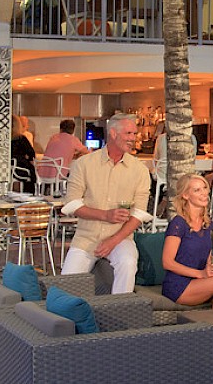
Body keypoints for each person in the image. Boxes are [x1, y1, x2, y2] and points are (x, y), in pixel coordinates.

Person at [59, 113, 151, 294]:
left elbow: (139, 214)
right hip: (86, 238)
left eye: (134, 134)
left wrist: (113, 240)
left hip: (120, 238)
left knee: (128, 262)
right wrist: (105, 215)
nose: (133, 139)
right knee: (65, 287)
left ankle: (119, 311)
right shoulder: (84, 164)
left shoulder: (140, 170)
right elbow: (72, 204)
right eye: (129, 134)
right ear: (114, 134)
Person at [161, 174, 213, 308]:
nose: (204, 193)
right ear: (185, 195)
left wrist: (210, 268)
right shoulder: (178, 223)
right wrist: (200, 274)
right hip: (179, 285)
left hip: (200, 282)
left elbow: (207, 253)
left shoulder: (206, 223)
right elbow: (167, 263)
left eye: (204, 188)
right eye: (197, 190)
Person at [11, 114, 36, 189]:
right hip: (20, 169)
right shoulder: (21, 138)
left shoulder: (4, 138)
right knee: (32, 171)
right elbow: (31, 153)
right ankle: (31, 192)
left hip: (8, 168)